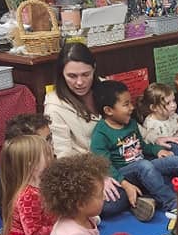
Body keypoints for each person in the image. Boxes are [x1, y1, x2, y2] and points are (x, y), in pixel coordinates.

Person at [43, 42, 128, 217]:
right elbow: (64, 159)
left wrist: (153, 138)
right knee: (112, 202)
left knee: (174, 152)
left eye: (86, 74)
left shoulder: (105, 87)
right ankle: (138, 192)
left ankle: (136, 191)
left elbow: (128, 118)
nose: (80, 82)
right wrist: (98, 177)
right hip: (89, 171)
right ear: (62, 74)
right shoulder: (54, 106)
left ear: (94, 69)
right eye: (72, 76)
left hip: (124, 156)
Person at [91, 79, 178, 217]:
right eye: (126, 104)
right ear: (108, 110)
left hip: (146, 167)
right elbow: (104, 165)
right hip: (125, 174)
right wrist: (124, 183)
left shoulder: (131, 123)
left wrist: (157, 150)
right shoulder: (101, 133)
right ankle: (172, 204)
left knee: (176, 160)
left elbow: (143, 146)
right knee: (109, 205)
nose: (132, 108)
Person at [0, 134, 55, 235]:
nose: (52, 157)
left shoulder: (39, 185)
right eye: (47, 155)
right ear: (31, 164)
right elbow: (34, 233)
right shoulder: (28, 195)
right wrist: (58, 227)